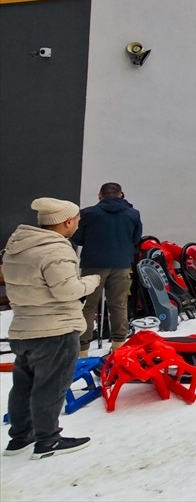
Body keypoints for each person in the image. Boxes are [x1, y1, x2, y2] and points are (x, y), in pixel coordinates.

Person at [3, 198, 101, 459]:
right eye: (77, 221)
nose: (78, 225)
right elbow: (66, 290)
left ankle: (20, 437)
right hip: (55, 330)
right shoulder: (56, 249)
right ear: (67, 222)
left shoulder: (18, 245)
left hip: (24, 328)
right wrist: (91, 281)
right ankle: (48, 442)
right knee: (50, 387)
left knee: (23, 387)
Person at [72, 182, 141, 356]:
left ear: (100, 195)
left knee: (88, 306)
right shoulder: (133, 214)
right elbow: (136, 239)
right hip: (122, 265)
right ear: (121, 194)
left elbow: (77, 237)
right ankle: (118, 345)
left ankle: (82, 349)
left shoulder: (88, 214)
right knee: (118, 305)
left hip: (93, 265)